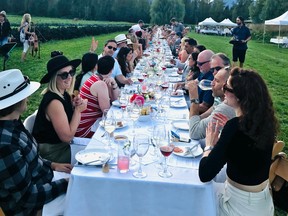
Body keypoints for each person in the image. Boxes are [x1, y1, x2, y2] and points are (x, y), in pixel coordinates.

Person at [199, 67, 279, 215]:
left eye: (226, 88)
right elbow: (243, 153)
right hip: (263, 203)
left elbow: (205, 173)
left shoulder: (235, 127)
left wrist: (209, 146)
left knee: (196, 200)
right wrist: (224, 141)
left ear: (239, 97)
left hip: (239, 205)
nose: (223, 91)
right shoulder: (265, 121)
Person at [0, 69, 72, 216]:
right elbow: (28, 197)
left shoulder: (13, 123)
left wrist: (52, 165)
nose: (27, 98)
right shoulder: (5, 144)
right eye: (24, 95)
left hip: (45, 182)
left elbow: (30, 159)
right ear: (16, 101)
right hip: (32, 208)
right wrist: (66, 184)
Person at [32, 55, 88, 163]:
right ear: (54, 78)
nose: (69, 77)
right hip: (52, 153)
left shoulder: (64, 94)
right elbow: (67, 137)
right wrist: (77, 111)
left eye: (71, 72)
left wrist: (74, 106)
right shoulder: (54, 102)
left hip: (62, 146)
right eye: (64, 75)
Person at [76, 56, 119, 138]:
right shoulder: (100, 84)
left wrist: (114, 83)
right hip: (86, 128)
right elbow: (107, 112)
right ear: (112, 70)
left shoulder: (96, 78)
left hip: (85, 123)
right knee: (116, 133)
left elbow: (115, 100)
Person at [187, 67, 235, 140]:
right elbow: (199, 120)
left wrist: (194, 100)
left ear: (226, 86)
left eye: (217, 81)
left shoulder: (226, 107)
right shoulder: (219, 100)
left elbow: (194, 132)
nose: (212, 83)